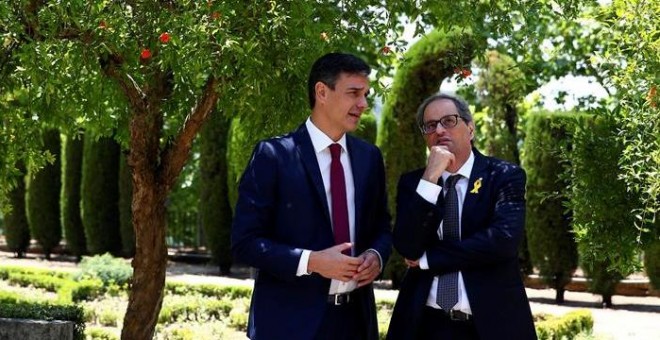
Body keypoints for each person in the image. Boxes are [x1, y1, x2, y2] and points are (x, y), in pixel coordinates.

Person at [232, 52, 392, 340]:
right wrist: (312, 261)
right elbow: (244, 243)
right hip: (288, 325)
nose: (363, 104)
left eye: (365, 94)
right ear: (322, 92)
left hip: (355, 323)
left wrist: (376, 256)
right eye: (353, 93)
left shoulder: (369, 157)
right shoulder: (274, 155)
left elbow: (381, 225)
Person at [386, 93, 537, 340]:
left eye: (449, 121)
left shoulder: (503, 176)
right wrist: (430, 179)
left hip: (490, 324)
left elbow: (502, 241)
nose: (440, 130)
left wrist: (430, 259)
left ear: (470, 128)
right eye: (430, 125)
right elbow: (407, 246)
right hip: (425, 323)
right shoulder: (414, 183)